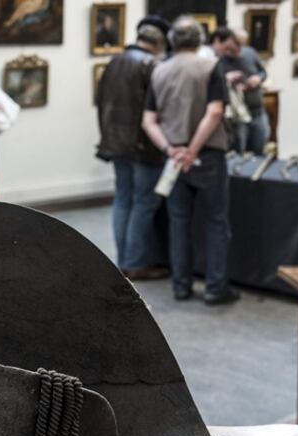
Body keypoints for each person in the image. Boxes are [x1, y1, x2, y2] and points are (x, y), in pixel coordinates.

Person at [141, 15, 239, 305]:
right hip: (206, 155)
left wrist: (171, 149)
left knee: (179, 222)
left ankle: (181, 285)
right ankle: (215, 287)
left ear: (172, 41)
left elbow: (148, 121)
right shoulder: (210, 66)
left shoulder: (160, 70)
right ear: (199, 40)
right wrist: (193, 150)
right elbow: (215, 112)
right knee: (216, 222)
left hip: (174, 158)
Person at [95, 17, 169, 280]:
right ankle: (135, 262)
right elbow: (159, 107)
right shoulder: (152, 64)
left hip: (116, 143)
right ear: (159, 43)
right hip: (144, 145)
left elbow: (100, 101)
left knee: (123, 199)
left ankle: (123, 262)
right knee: (143, 203)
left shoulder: (114, 62)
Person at [231, 28, 270, 154]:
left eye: (243, 43)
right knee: (239, 152)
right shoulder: (224, 58)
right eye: (237, 43)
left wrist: (258, 78)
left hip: (257, 110)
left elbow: (263, 73)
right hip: (239, 115)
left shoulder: (250, 53)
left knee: (260, 147)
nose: (240, 47)